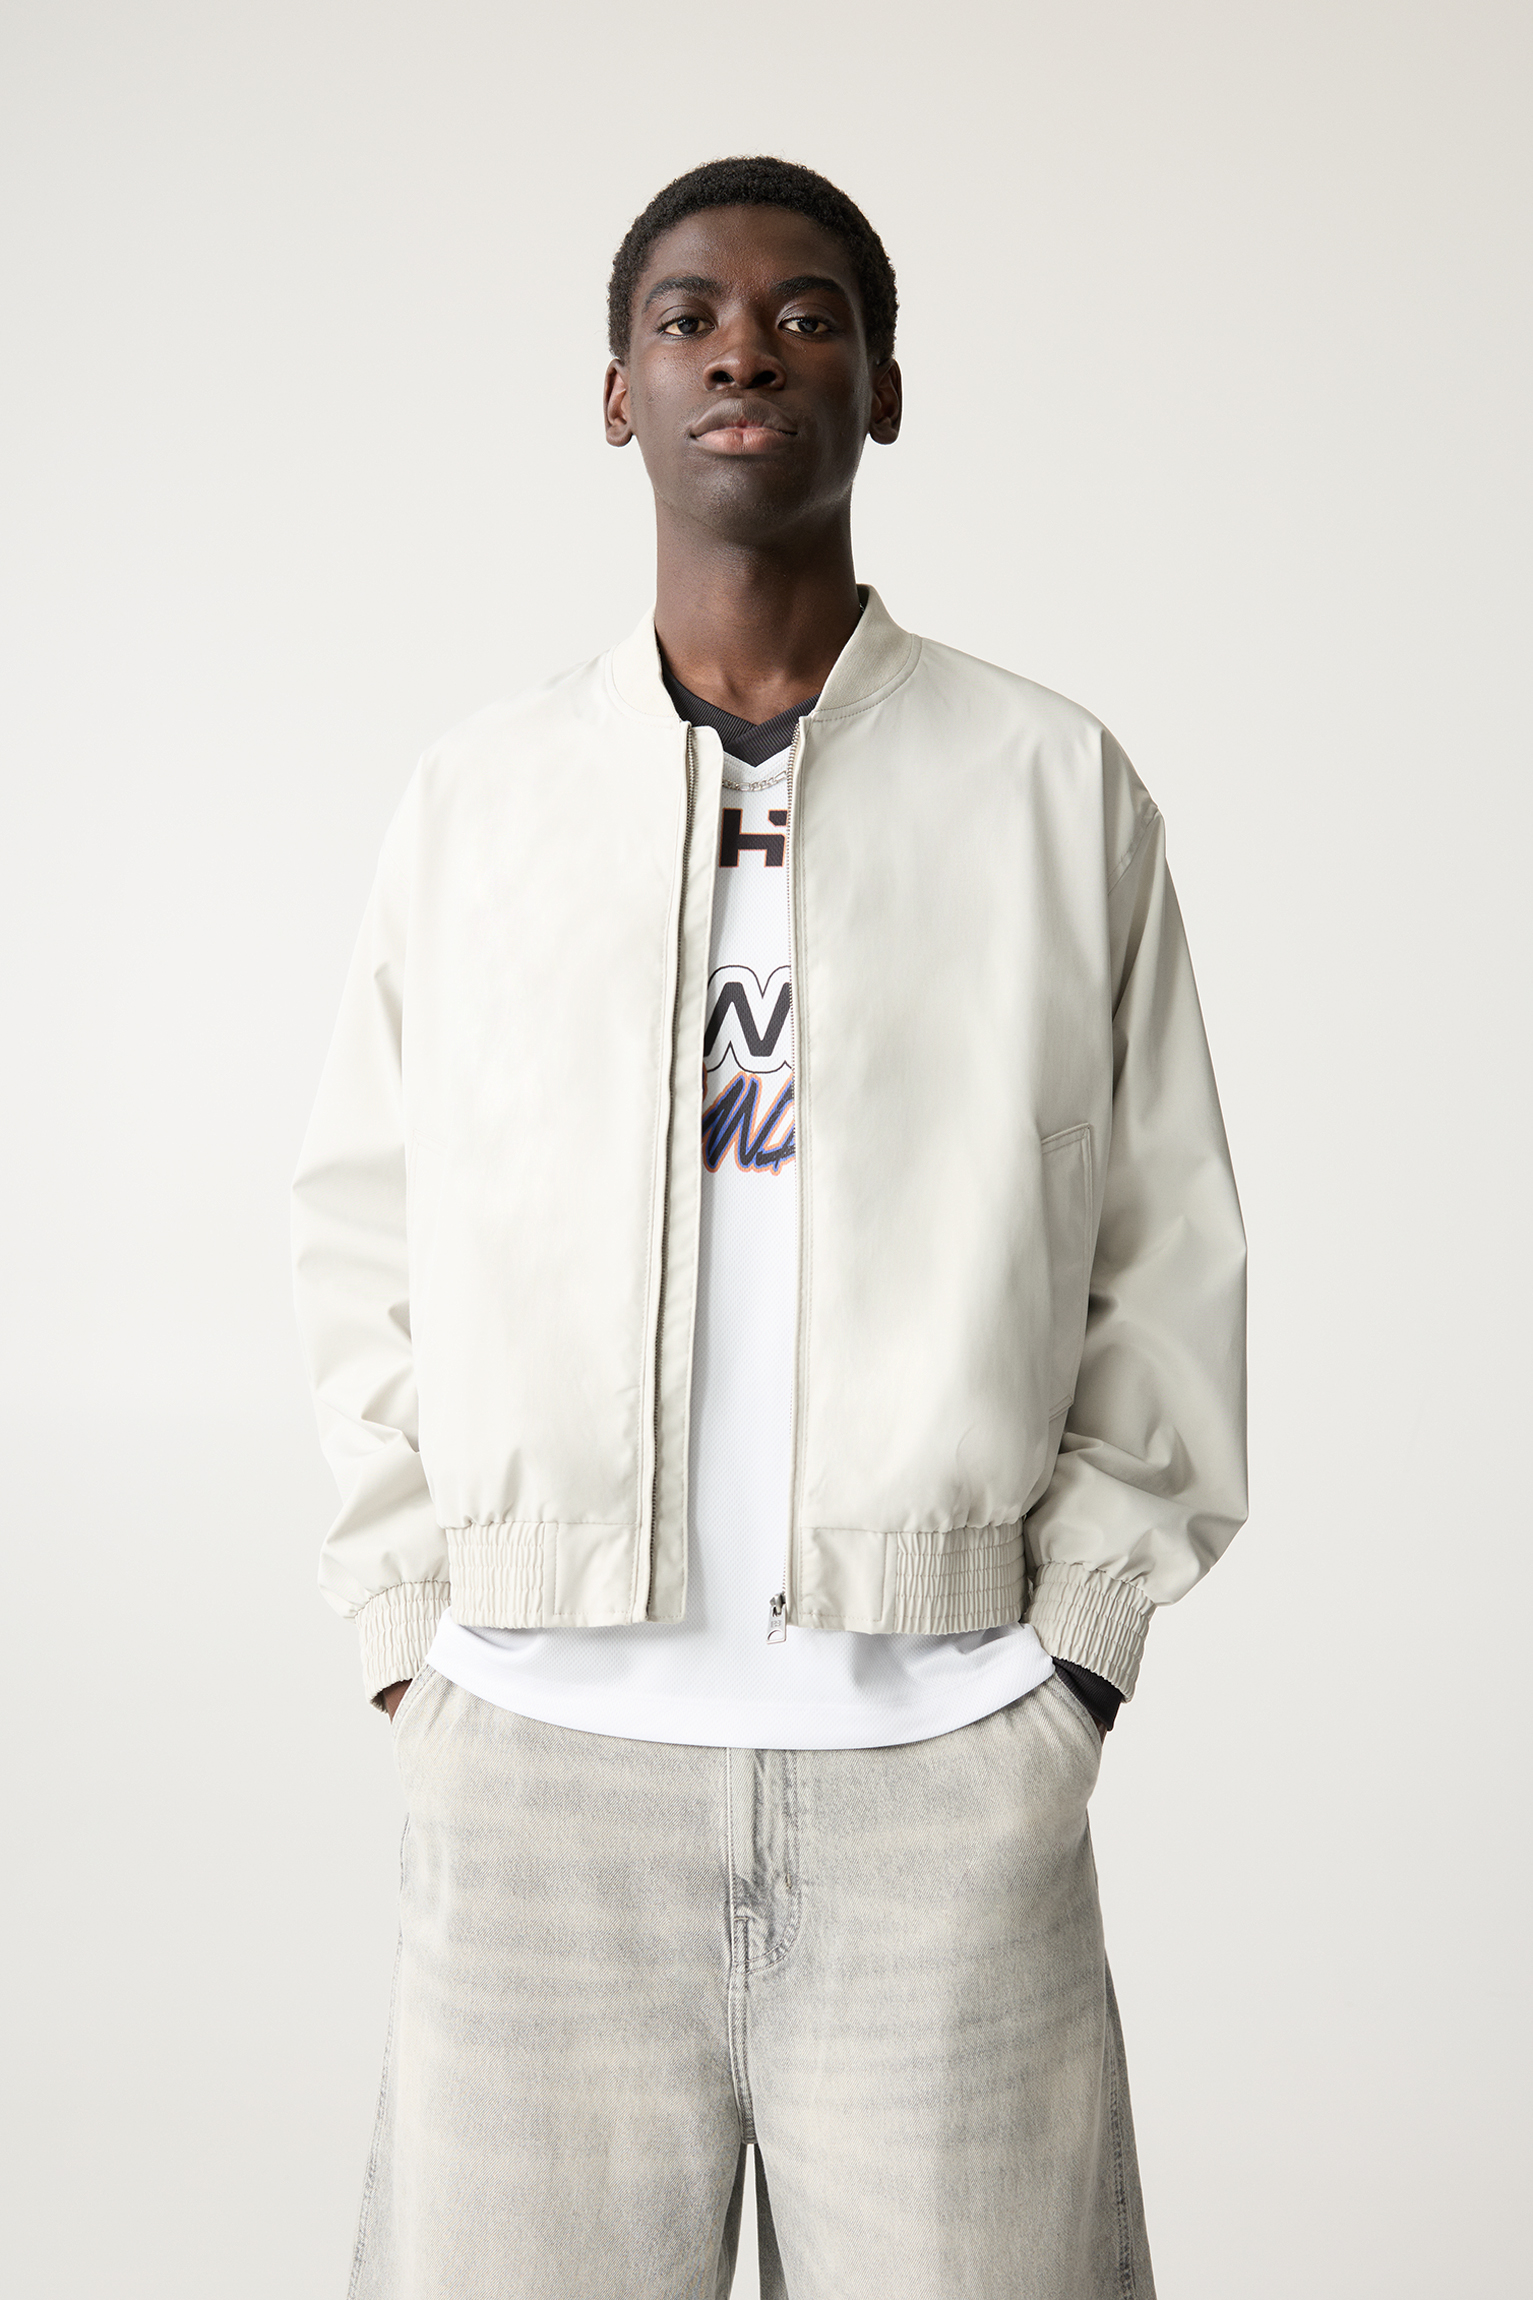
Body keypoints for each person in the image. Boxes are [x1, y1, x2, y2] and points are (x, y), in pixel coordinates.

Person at [292, 155, 1247, 2300]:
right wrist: (411, 1637)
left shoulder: (1049, 786)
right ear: (615, 394)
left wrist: (1069, 1662)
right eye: (689, 317)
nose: (745, 350)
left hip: (940, 1777)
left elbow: (1166, 1241)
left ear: (881, 388)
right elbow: (359, 1231)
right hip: (541, 1774)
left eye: (807, 315)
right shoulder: (479, 802)